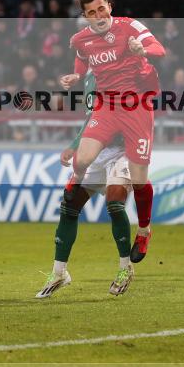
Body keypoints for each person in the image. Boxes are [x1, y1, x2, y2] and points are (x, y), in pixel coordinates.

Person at [54, 0, 165, 294]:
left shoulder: (130, 27)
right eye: (92, 13)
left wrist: (143, 52)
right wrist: (77, 77)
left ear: (110, 7)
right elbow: (80, 59)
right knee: (83, 158)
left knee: (140, 181)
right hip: (108, 106)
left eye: (102, 9)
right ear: (85, 16)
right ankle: (76, 179)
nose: (99, 16)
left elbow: (159, 48)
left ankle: (144, 229)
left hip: (136, 106)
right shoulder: (81, 41)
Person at [37, 71, 153, 298]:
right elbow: (92, 118)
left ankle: (125, 268)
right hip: (97, 150)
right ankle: (59, 272)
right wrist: (75, 145)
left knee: (114, 204)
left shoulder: (122, 67)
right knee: (69, 206)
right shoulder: (90, 76)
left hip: (123, 149)